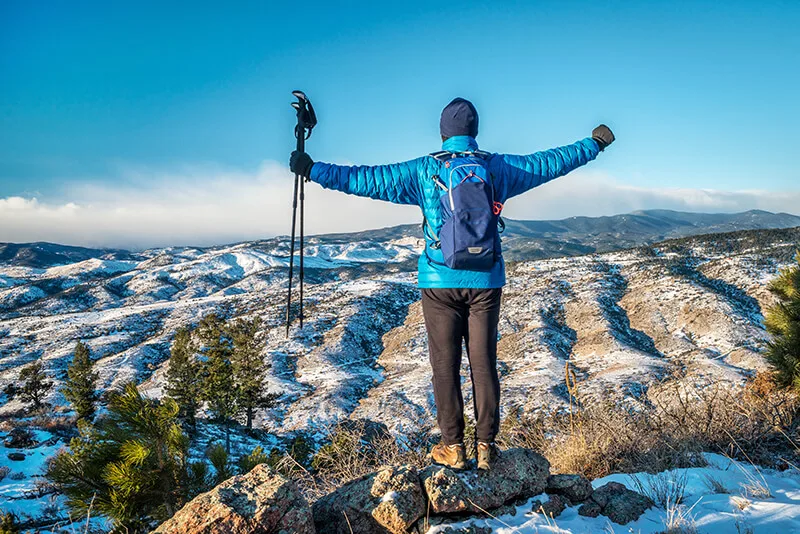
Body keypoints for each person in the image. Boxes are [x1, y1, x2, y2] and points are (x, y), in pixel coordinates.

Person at [290, 97, 614, 470]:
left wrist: (312, 169)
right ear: (474, 132)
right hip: (486, 280)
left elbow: (364, 179)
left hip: (439, 280)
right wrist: (594, 144)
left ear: (443, 133)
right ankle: (487, 448)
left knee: (445, 366)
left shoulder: (423, 171)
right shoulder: (498, 168)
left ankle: (453, 448)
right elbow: (549, 163)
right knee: (483, 363)